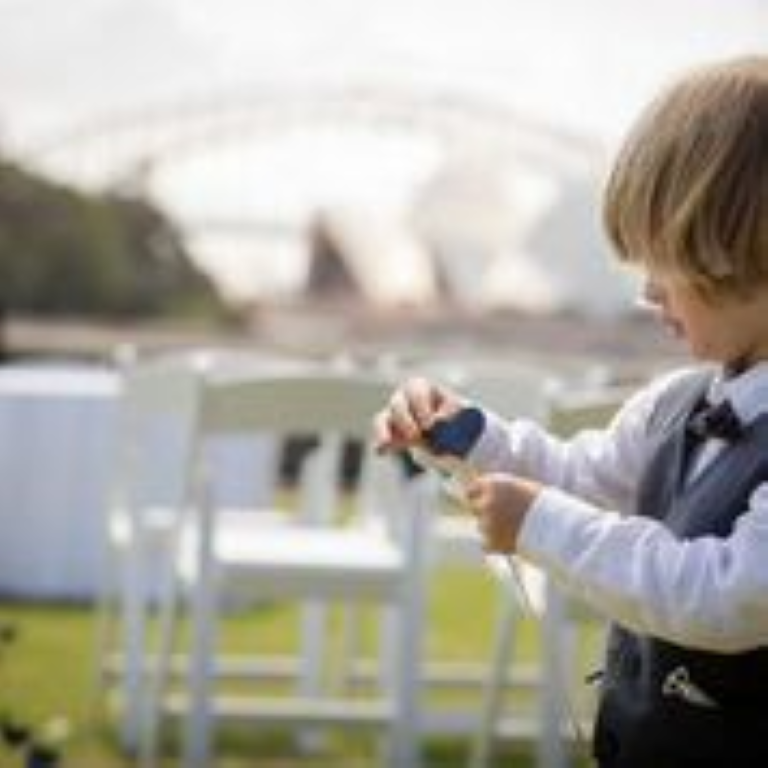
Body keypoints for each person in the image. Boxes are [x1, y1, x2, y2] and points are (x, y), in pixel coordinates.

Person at [373, 55, 768, 768]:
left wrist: (541, 524)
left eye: (666, 260)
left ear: (744, 249)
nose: (647, 293)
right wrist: (461, 433)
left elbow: (732, 594)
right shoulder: (674, 407)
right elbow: (577, 475)